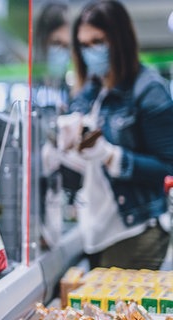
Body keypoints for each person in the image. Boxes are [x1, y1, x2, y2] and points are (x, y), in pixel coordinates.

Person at [60, 0, 173, 270]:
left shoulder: (149, 91)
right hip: (95, 230)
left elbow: (168, 167)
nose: (90, 52)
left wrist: (113, 157)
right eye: (83, 45)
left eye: (97, 41)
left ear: (119, 40)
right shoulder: (90, 93)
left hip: (135, 231)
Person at [33, 1, 72, 248]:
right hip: (33, 206)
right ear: (42, 43)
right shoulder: (29, 89)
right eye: (57, 44)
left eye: (67, 47)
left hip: (58, 201)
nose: (62, 53)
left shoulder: (67, 91)